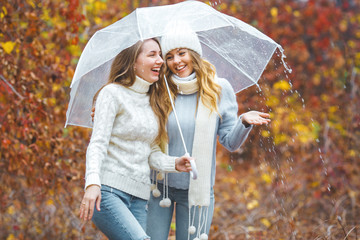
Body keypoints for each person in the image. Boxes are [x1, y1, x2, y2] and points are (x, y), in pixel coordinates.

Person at [146, 24, 271, 240]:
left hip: (198, 189)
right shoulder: (158, 89)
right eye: (170, 56)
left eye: (182, 53)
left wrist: (243, 122)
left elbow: (230, 143)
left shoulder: (218, 89)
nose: (177, 61)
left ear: (193, 53)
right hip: (159, 187)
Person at [79, 38, 193, 240]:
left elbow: (150, 153)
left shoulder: (153, 101)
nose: (160, 60)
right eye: (152, 55)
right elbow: (97, 144)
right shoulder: (112, 93)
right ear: (133, 62)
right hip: (108, 192)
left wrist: (174, 163)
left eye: (160, 54)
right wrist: (92, 184)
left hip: (139, 198)